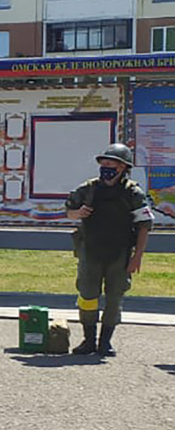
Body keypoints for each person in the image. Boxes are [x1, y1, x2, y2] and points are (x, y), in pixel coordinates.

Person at [65, 143, 153, 357]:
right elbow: (69, 211)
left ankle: (105, 342)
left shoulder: (133, 192)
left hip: (119, 255)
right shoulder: (88, 189)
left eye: (110, 163)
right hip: (91, 252)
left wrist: (137, 257)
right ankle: (88, 340)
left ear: (123, 167)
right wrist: (78, 213)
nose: (105, 167)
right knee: (87, 296)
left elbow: (144, 226)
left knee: (114, 298)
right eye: (103, 163)